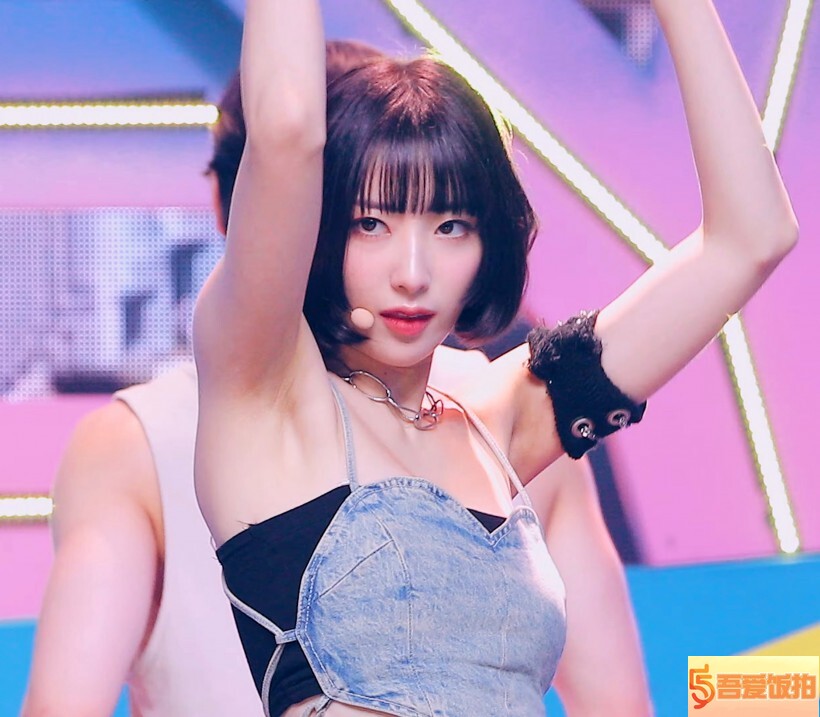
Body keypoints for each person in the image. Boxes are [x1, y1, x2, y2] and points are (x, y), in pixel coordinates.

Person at [193, 1, 796, 716]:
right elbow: (288, 128)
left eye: (451, 225)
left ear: (490, 246)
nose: (412, 273)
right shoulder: (269, 392)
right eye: (371, 223)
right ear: (321, 231)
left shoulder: (497, 421)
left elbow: (750, 239)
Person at [22, 38, 649, 716]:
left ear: (224, 201)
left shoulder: (131, 442)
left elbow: (63, 705)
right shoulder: (500, 408)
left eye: (441, 222)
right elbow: (616, 702)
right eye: (371, 220)